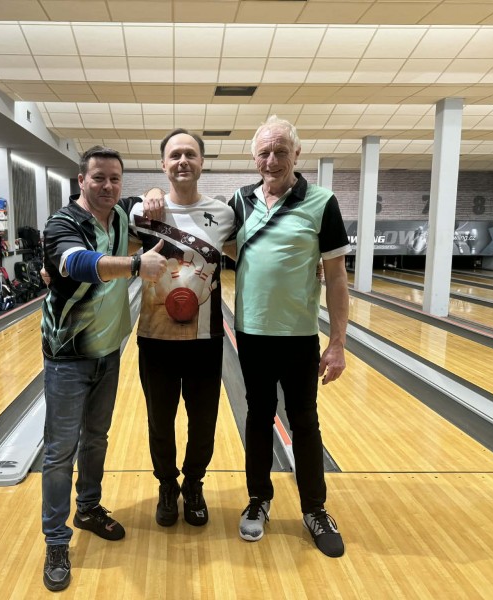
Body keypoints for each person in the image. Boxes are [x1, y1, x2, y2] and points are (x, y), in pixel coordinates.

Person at [40, 145, 167, 592]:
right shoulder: (62, 223)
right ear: (81, 180)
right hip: (67, 357)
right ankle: (56, 541)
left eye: (115, 178)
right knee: (60, 451)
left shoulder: (121, 215)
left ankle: (88, 508)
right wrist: (136, 264)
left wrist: (153, 192)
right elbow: (75, 263)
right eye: (98, 178)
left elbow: (148, 201)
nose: (108, 186)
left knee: (96, 439)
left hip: (108, 352)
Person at [228, 116, 350, 558]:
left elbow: (337, 277)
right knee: (258, 417)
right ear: (254, 158)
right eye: (264, 152)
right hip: (251, 334)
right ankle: (258, 499)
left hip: (299, 336)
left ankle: (315, 508)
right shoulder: (240, 201)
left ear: (297, 154)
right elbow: (211, 239)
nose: (272, 160)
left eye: (281, 151)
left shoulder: (322, 202)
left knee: (304, 421)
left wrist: (337, 343)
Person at [129, 129, 235, 528]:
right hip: (155, 339)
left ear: (202, 162)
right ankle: (166, 485)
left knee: (203, 422)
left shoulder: (224, 214)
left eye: (190, 154)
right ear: (163, 164)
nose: (182, 161)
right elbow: (104, 232)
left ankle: (193, 484)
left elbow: (253, 251)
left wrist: (310, 265)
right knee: (160, 422)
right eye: (175, 155)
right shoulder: (142, 212)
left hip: (205, 341)